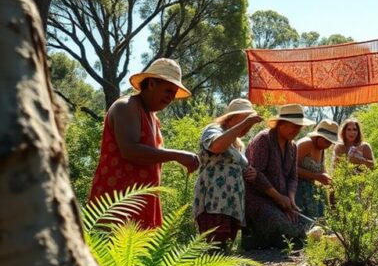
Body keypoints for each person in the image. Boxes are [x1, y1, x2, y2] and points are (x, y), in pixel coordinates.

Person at [90, 58, 200, 229]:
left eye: (174, 93)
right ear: (151, 84)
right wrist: (178, 155)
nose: (171, 97)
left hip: (141, 202)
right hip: (116, 203)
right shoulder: (126, 107)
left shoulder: (153, 118)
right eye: (168, 90)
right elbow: (130, 150)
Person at [193, 99, 263, 251]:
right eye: (244, 120)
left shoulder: (237, 143)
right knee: (213, 243)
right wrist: (243, 125)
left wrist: (250, 173)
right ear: (231, 118)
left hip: (231, 202)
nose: (247, 126)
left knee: (225, 245)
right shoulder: (214, 129)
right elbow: (216, 146)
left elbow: (237, 166)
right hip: (214, 199)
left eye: (250, 124)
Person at [243, 104, 315, 249]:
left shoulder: (293, 146)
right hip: (259, 199)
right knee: (280, 225)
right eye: (292, 125)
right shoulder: (264, 139)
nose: (296, 130)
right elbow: (256, 174)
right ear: (280, 124)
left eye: (299, 126)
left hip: (281, 202)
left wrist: (291, 201)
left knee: (301, 224)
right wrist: (278, 197)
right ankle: (255, 242)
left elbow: (293, 177)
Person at [295, 119, 339, 218]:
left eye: (330, 142)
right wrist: (316, 176)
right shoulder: (306, 143)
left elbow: (322, 170)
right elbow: (290, 168)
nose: (328, 144)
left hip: (310, 190)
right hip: (295, 189)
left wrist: (328, 180)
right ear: (318, 136)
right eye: (326, 140)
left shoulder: (322, 149)